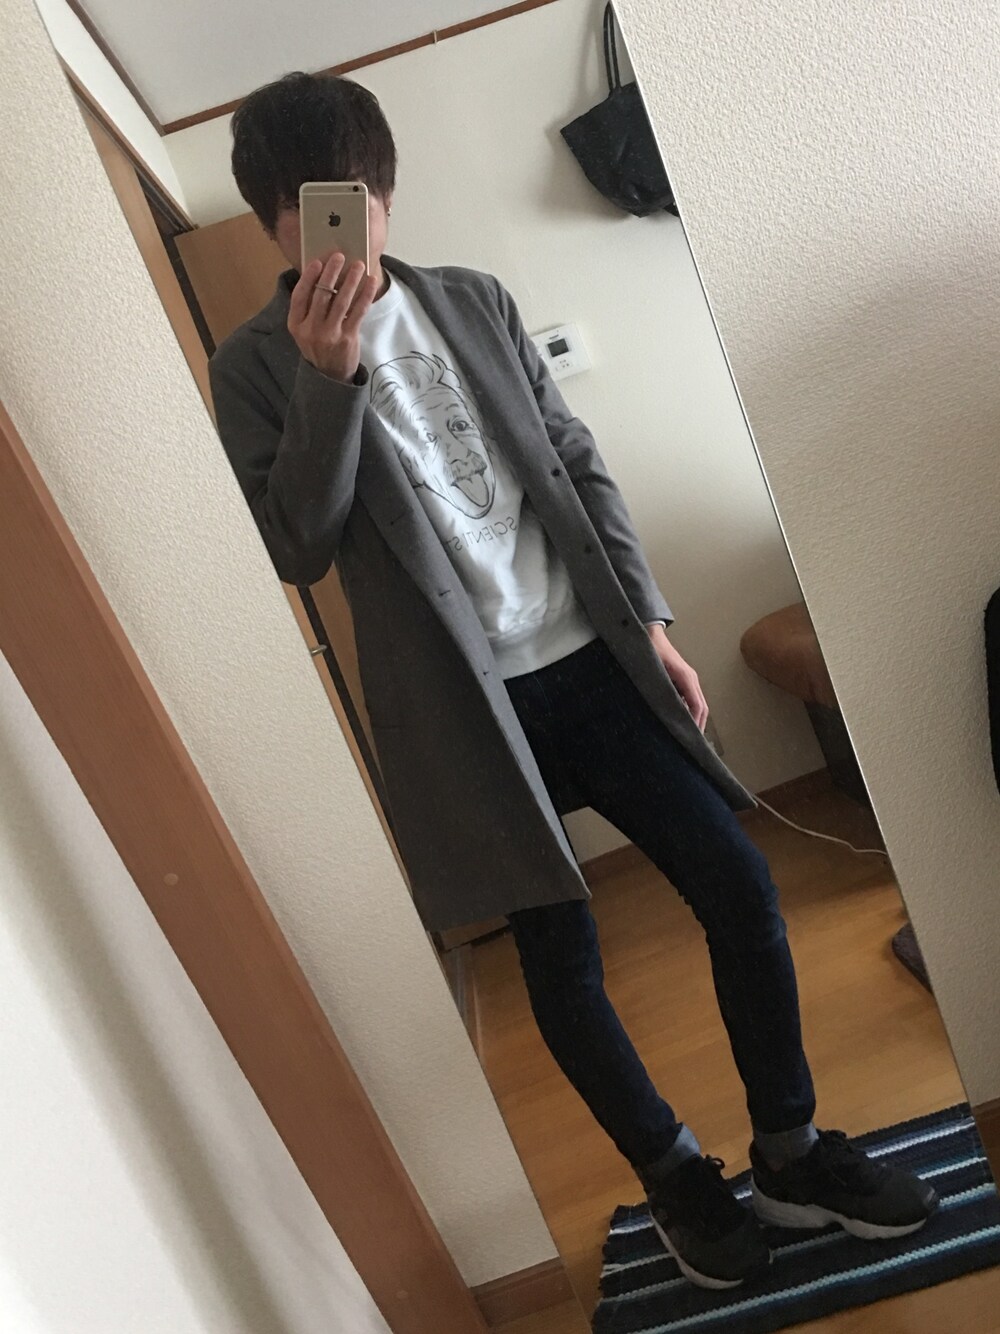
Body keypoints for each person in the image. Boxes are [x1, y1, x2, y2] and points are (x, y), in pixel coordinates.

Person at [209, 71, 937, 1289]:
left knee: (740, 884)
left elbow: (574, 460)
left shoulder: (472, 300)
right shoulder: (253, 368)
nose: (332, 231)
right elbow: (296, 545)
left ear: (383, 194)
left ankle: (792, 1148)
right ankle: (674, 1175)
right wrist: (326, 380)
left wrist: (650, 621)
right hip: (463, 708)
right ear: (267, 222)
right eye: (301, 211)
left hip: (589, 658)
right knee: (560, 955)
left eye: (350, 200)